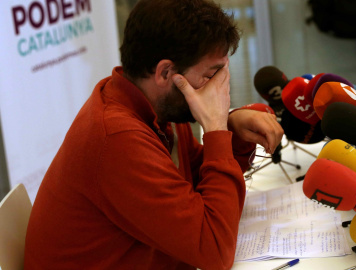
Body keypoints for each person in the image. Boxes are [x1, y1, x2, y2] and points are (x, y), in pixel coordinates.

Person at [24, 0, 284, 269]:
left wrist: (231, 129)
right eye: (211, 75)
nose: (218, 90)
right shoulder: (117, 137)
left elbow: (196, 184)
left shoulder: (157, 106)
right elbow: (215, 251)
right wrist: (216, 129)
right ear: (166, 72)